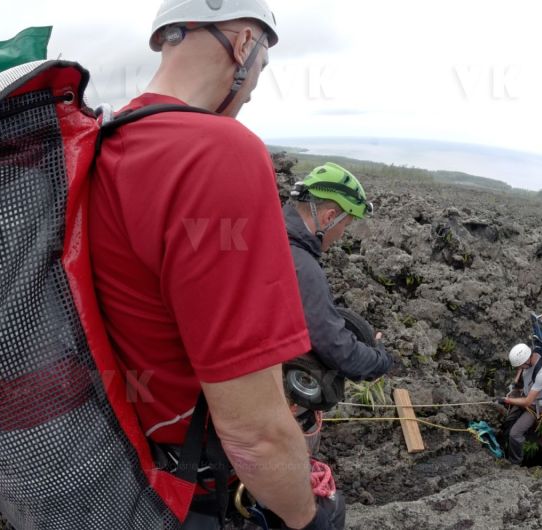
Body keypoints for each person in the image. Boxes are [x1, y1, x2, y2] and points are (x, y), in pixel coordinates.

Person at [89, 1, 342, 528]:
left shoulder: (102, 141)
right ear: (245, 44)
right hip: (183, 492)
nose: (250, 93)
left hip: (107, 472)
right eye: (261, 72)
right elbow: (254, 433)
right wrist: (308, 515)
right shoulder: (218, 153)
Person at [285, 163, 392, 382]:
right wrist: (381, 358)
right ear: (328, 217)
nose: (343, 234)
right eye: (346, 224)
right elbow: (340, 353)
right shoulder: (302, 267)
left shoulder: (270, 232)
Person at [499, 343, 542, 465]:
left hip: (535, 405)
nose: (520, 367)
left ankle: (515, 462)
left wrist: (506, 400)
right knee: (508, 421)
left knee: (515, 434)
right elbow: (521, 368)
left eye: (521, 365)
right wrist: (514, 383)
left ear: (527, 360)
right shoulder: (530, 357)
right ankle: (504, 444)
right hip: (526, 395)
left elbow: (528, 401)